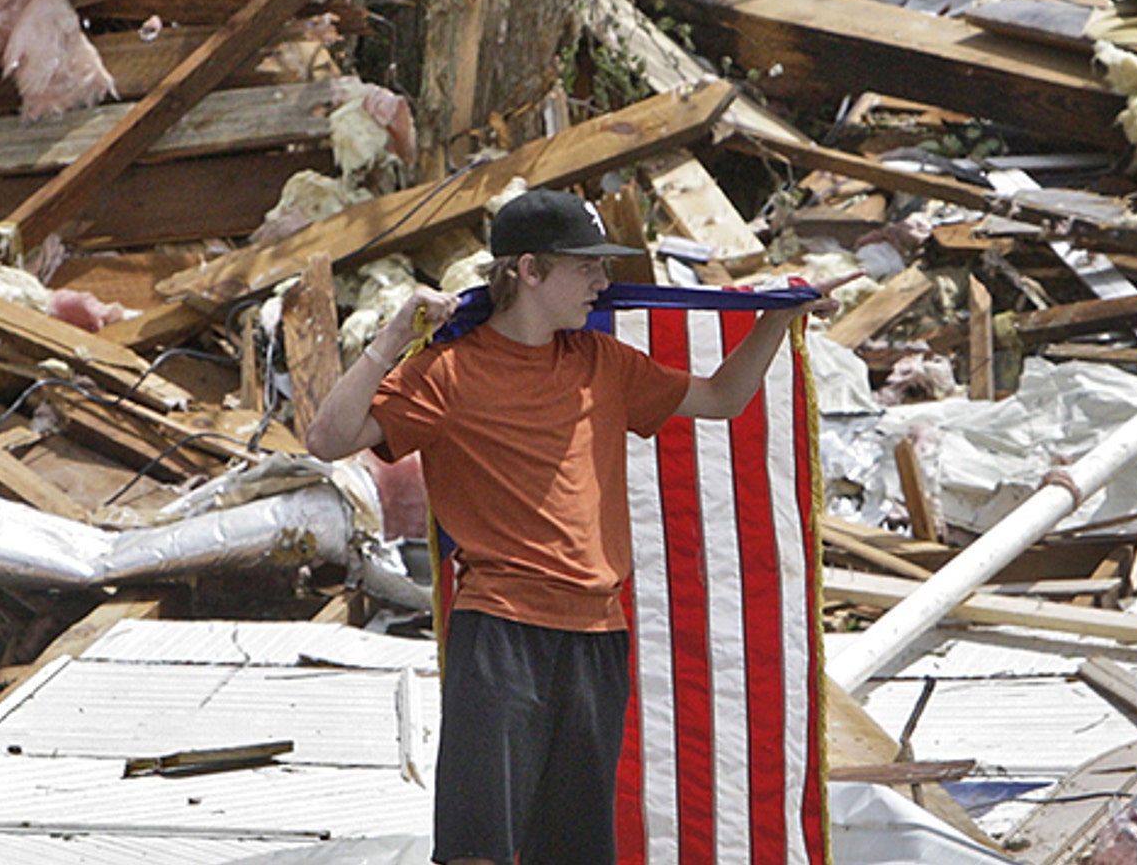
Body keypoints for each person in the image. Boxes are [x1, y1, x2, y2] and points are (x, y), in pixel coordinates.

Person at [303, 188, 846, 865]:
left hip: (597, 637)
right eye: (586, 265)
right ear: (529, 272)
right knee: (481, 844)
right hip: (501, 635)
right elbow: (327, 439)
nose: (603, 281)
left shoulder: (601, 362)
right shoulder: (447, 372)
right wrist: (391, 337)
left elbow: (723, 397)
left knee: (574, 845)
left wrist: (778, 317)